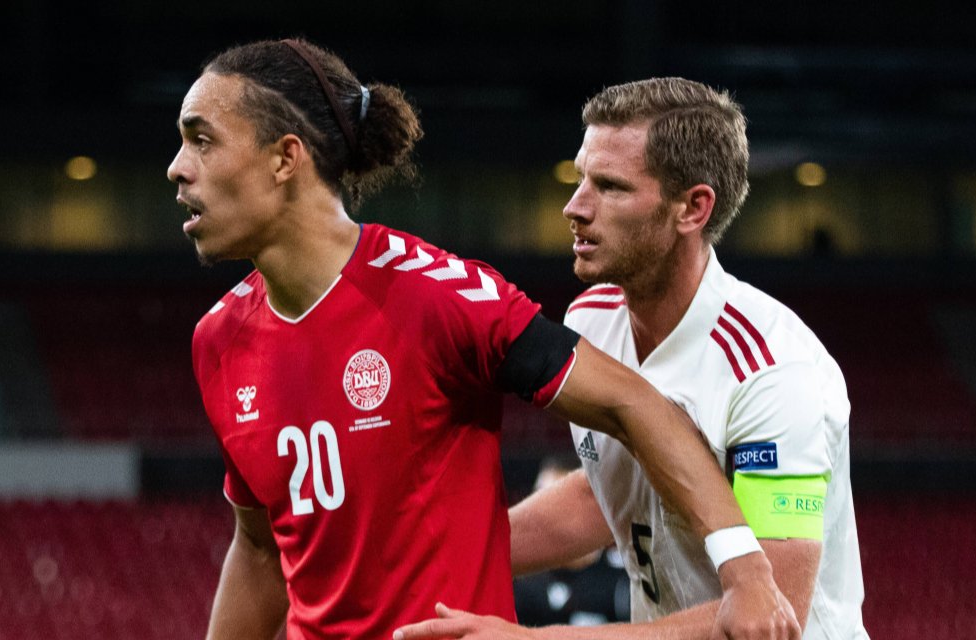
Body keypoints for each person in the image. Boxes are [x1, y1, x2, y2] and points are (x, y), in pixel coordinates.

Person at [166, 40, 800, 640]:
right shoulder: (218, 340)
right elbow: (258, 547)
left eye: (201, 140)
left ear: (285, 158)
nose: (177, 168)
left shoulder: (439, 297)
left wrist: (743, 568)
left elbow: (634, 404)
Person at [395, 78, 868, 639]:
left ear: (693, 208)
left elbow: (768, 619)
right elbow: (607, 498)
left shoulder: (772, 372)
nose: (575, 207)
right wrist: (422, 562)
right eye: (580, 179)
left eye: (610, 187)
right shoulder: (590, 319)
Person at [512, 454, 629, 627]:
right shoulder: (520, 584)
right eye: (537, 496)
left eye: (552, 501)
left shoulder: (623, 582)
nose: (541, 513)